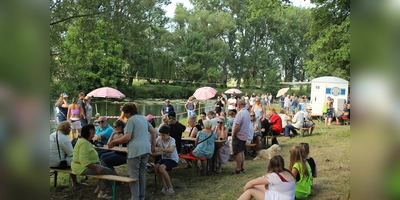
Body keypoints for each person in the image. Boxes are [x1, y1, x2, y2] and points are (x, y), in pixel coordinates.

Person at [108, 102, 157, 200]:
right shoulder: (143, 118)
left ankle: (135, 198)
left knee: (133, 175)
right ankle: (141, 197)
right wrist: (153, 146)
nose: (124, 116)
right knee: (142, 174)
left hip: (135, 151)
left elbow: (127, 137)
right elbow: (153, 132)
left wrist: (114, 142)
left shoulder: (131, 120)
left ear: (128, 112)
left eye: (124, 113)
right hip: (145, 149)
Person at [71, 124, 115, 199]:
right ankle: (102, 193)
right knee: (107, 171)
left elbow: (90, 156)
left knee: (103, 168)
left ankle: (99, 189)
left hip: (82, 166)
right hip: (81, 168)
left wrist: (100, 161)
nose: (94, 134)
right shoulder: (83, 143)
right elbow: (84, 161)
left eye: (94, 132)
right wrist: (95, 167)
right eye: (92, 132)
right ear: (88, 132)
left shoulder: (85, 141)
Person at [50, 121, 82, 187]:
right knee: (77, 159)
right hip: (58, 163)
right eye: (70, 128)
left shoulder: (52, 135)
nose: (70, 130)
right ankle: (75, 182)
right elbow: (71, 153)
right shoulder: (64, 138)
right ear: (67, 129)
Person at [154, 125, 179, 195]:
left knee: (161, 168)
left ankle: (170, 187)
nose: (162, 137)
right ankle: (164, 186)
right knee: (156, 167)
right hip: (164, 158)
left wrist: (159, 149)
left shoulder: (172, 140)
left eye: (163, 135)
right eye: (160, 135)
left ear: (168, 134)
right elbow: (153, 145)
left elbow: (171, 149)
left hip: (173, 159)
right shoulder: (159, 139)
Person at [231, 99, 251, 174]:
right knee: (241, 151)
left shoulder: (240, 113)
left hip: (239, 135)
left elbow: (237, 126)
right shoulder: (247, 113)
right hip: (244, 135)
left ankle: (238, 168)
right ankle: (241, 168)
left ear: (239, 105)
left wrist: (234, 134)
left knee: (238, 152)